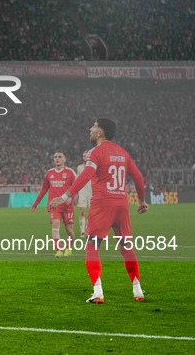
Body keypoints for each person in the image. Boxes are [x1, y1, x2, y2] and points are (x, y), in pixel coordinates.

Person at [50, 118, 148, 303]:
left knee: (92, 246)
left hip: (103, 204)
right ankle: (138, 290)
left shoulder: (95, 152)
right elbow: (137, 177)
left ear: (100, 132)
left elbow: (86, 175)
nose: (91, 129)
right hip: (122, 204)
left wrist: (65, 196)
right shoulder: (123, 152)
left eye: (94, 126)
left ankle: (98, 292)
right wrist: (141, 200)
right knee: (126, 247)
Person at [31, 152, 76, 258]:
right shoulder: (49, 173)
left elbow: (76, 187)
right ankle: (59, 250)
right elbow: (44, 189)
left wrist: (71, 197)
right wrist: (36, 203)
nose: (57, 159)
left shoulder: (70, 172)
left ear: (64, 159)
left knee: (69, 230)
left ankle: (69, 248)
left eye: (59, 157)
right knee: (55, 225)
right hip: (54, 206)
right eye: (55, 157)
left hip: (67, 206)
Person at [76, 150, 92, 238]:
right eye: (83, 156)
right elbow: (77, 181)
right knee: (82, 212)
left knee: (92, 213)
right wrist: (76, 193)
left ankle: (88, 230)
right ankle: (82, 231)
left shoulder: (94, 167)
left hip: (92, 192)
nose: (85, 157)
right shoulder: (79, 168)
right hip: (82, 192)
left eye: (86, 156)